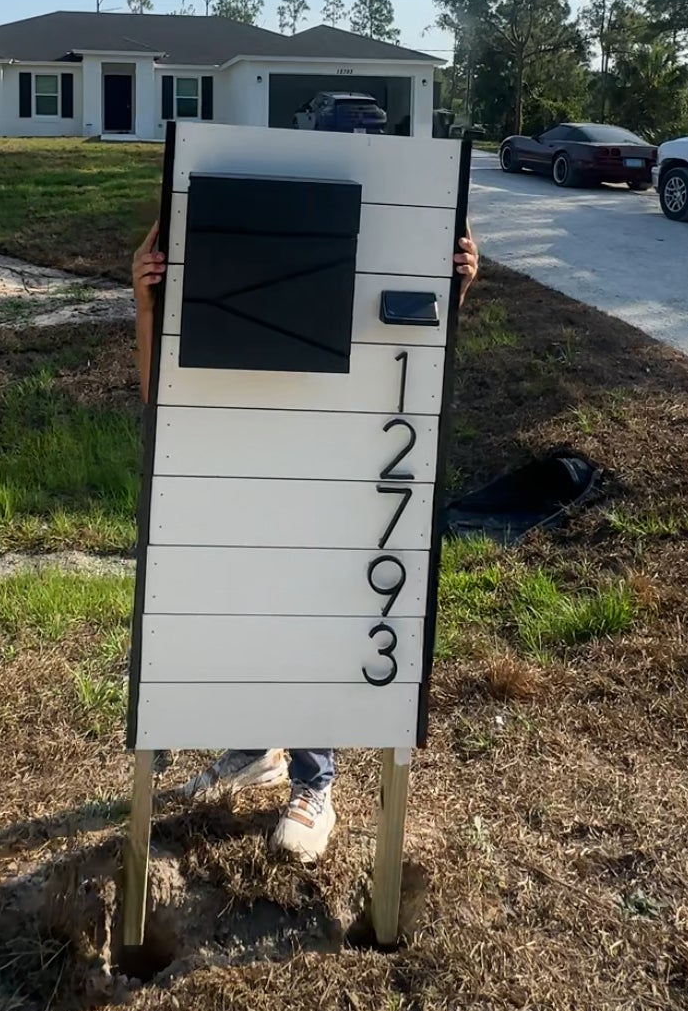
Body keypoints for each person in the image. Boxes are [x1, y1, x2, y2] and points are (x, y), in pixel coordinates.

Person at [132, 215, 479, 860]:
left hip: (337, 453)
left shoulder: (356, 225)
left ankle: (314, 781)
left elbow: (401, 347)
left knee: (317, 605)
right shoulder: (209, 240)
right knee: (248, 599)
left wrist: (448, 289)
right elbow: (160, 399)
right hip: (242, 453)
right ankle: (255, 747)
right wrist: (144, 299)